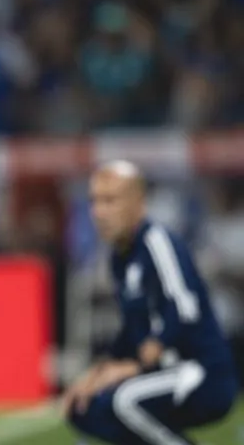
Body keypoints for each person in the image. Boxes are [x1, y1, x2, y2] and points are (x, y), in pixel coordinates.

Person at [63, 160, 238, 445]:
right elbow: (132, 330)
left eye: (110, 201)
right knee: (85, 410)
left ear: (138, 204)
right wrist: (97, 373)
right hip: (158, 374)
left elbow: (184, 309)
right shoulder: (120, 258)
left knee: (125, 400)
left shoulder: (157, 242)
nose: (99, 212)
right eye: (94, 201)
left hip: (200, 372)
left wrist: (137, 365)